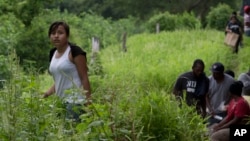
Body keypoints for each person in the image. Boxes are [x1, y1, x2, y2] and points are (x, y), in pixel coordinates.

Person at [43, 21, 91, 122]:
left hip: (75, 102)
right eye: (53, 33)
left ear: (67, 35)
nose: (56, 36)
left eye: (60, 33)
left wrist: (88, 103)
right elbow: (59, 80)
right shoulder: (53, 53)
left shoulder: (75, 52)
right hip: (61, 102)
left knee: (71, 135)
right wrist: (46, 93)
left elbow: (84, 77)